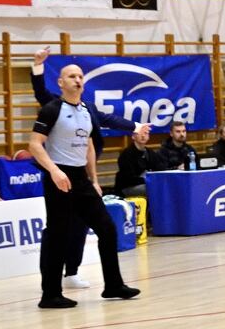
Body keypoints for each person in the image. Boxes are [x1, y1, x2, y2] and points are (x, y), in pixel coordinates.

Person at [32, 46, 148, 290]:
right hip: (59, 175)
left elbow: (97, 136)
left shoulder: (87, 109)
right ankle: (52, 290)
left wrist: (135, 126)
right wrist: (38, 65)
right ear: (61, 82)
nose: (78, 80)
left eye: (80, 76)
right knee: (58, 232)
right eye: (72, 76)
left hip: (81, 176)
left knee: (102, 227)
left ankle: (110, 284)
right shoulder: (53, 106)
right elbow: (39, 97)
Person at [114, 129, 156, 197]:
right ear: (133, 136)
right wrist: (147, 180)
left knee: (161, 186)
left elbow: (158, 169)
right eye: (140, 133)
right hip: (128, 187)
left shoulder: (151, 153)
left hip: (146, 183)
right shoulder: (126, 154)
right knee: (153, 188)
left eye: (145, 133)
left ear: (148, 137)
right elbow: (128, 178)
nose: (143, 136)